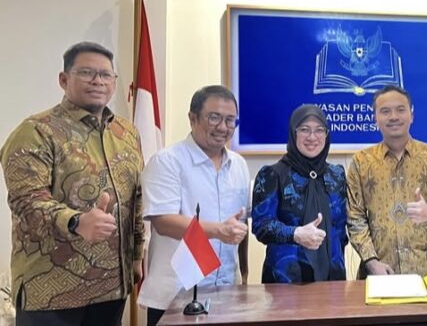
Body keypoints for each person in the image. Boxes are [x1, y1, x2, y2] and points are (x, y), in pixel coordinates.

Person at [0, 42, 144, 325]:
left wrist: (137, 255)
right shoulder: (36, 131)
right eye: (87, 72)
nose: (98, 81)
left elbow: (136, 198)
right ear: (64, 79)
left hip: (111, 286)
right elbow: (26, 201)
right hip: (52, 290)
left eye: (106, 75)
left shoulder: (126, 132)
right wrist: (77, 221)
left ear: (114, 82)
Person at [138, 85, 250, 326]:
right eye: (214, 118)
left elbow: (241, 224)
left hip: (226, 293)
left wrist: (244, 275)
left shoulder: (239, 165)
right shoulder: (167, 161)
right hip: (176, 296)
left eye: (230, 120)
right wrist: (218, 230)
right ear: (193, 118)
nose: (223, 127)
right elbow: (163, 221)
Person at [347, 85, 427, 277]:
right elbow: (355, 218)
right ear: (375, 118)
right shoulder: (361, 162)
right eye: (385, 111)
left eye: (400, 110)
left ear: (411, 115)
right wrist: (371, 262)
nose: (393, 117)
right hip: (381, 273)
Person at [252, 104, 348, 283]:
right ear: (293, 133)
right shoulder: (272, 174)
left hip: (333, 279)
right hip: (286, 280)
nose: (312, 137)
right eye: (304, 129)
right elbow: (261, 226)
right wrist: (295, 233)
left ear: (327, 135)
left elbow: (341, 229)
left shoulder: (337, 175)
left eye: (319, 130)